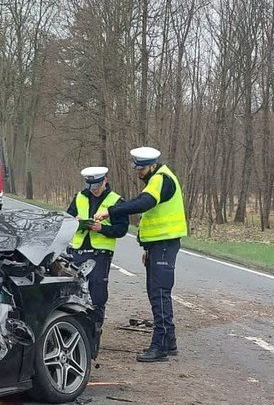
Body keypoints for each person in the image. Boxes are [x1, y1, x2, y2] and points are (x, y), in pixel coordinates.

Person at [93, 147, 187, 362]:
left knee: (159, 293)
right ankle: (169, 341)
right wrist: (147, 248)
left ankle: (160, 346)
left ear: (153, 165)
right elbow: (154, 213)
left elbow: (144, 203)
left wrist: (111, 211)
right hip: (158, 245)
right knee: (157, 291)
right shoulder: (158, 178)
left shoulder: (161, 179)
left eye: (141, 168)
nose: (138, 172)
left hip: (164, 244)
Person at [66, 167, 127, 356]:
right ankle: (75, 335)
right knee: (74, 293)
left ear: (105, 180)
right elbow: (66, 220)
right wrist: (74, 221)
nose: (94, 189)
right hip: (77, 251)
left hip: (100, 253)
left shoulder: (116, 201)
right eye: (91, 185)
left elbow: (121, 230)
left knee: (97, 294)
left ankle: (94, 337)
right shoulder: (79, 197)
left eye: (97, 185)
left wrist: (102, 228)